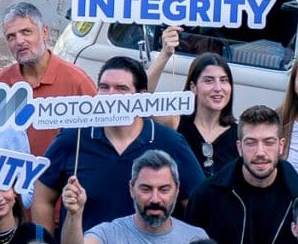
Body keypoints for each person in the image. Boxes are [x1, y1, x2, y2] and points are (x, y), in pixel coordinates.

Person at [33, 56, 209, 233]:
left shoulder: (170, 142)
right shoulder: (73, 137)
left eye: (122, 89)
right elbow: (42, 197)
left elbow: (199, 205)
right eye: (104, 87)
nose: (111, 95)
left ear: (141, 96)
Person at [194, 106, 298, 244]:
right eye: (251, 142)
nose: (260, 152)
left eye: (269, 142)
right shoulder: (208, 195)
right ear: (239, 147)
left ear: (281, 145)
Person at [63, 151, 208, 244]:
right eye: (146, 189)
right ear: (131, 189)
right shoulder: (110, 233)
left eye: (164, 189)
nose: (155, 199)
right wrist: (74, 213)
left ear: (176, 190)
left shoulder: (195, 238)